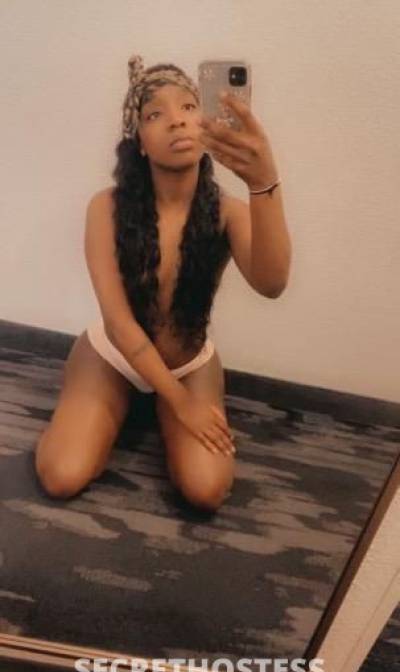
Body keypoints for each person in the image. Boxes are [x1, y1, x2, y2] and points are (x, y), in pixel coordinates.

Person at [34, 54, 290, 511]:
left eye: (189, 107)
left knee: (206, 491)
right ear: (139, 142)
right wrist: (180, 404)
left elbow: (272, 284)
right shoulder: (105, 208)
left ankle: (138, 407)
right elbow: (118, 322)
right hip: (115, 354)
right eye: (155, 114)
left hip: (188, 364)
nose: (177, 120)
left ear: (206, 123)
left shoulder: (227, 212)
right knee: (61, 475)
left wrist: (263, 182)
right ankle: (114, 402)